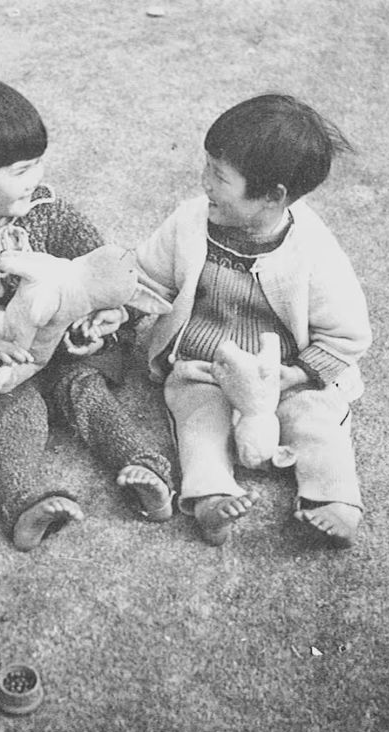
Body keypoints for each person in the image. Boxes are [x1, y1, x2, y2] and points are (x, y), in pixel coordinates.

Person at [0, 79, 174, 551]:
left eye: (37, 163)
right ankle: (23, 504)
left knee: (89, 393)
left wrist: (100, 319)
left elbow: (95, 268)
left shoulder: (48, 209)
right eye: (20, 170)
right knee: (18, 412)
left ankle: (146, 470)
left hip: (59, 350)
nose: (35, 178)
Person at [135, 93, 371, 547]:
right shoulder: (189, 222)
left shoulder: (313, 250)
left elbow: (347, 334)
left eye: (219, 176)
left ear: (272, 196)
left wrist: (297, 374)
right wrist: (116, 310)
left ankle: (333, 499)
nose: (204, 183)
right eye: (207, 168)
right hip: (205, 367)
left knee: (318, 417)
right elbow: (148, 278)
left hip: (281, 372)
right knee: (199, 419)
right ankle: (210, 495)